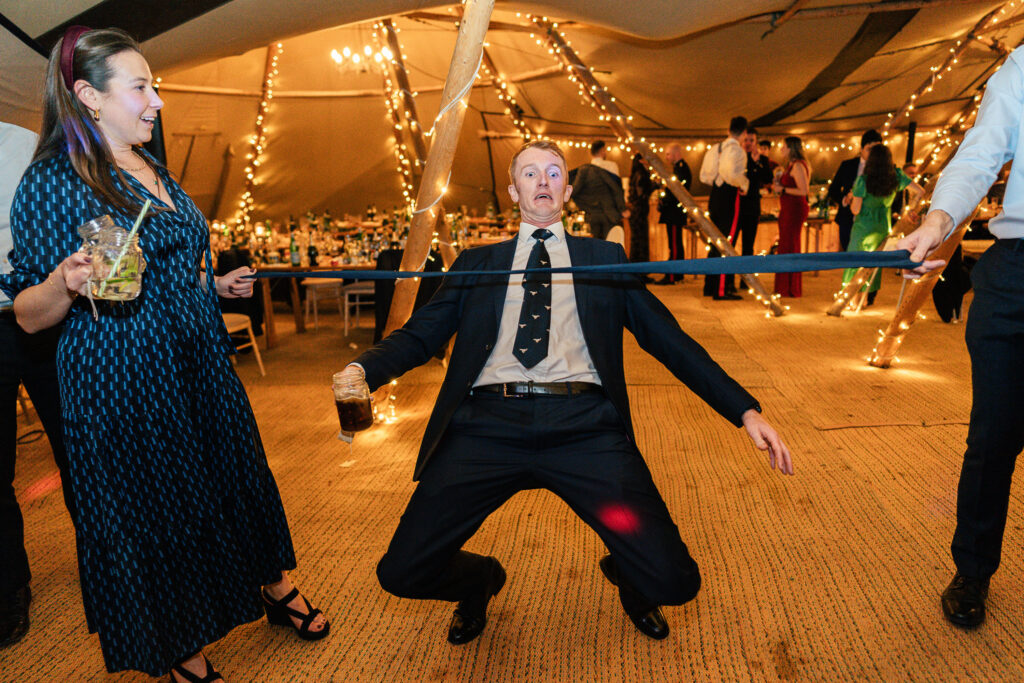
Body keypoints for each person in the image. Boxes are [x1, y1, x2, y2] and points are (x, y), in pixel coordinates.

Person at [337, 140, 793, 647]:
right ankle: (480, 581)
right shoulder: (477, 263)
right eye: (530, 174)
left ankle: (631, 576)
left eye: (553, 173)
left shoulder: (604, 260)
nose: (542, 182)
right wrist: (362, 367)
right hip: (487, 425)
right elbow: (420, 335)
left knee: (674, 582)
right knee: (401, 572)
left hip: (584, 427)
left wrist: (744, 409)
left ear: (567, 190)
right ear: (514, 191)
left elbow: (670, 342)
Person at [2, 27, 328, 680]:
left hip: (199, 364)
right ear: (90, 96)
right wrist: (65, 282)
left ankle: (271, 582)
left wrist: (214, 285)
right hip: (123, 378)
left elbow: (165, 270)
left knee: (234, 477)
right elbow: (27, 313)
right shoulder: (53, 180)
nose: (157, 101)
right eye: (142, 86)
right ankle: (181, 647)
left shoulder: (151, 165)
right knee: (159, 510)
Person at [899, 45, 1024, 630]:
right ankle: (972, 569)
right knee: (993, 436)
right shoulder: (1023, 63)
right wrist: (937, 220)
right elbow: (980, 152)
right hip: (1016, 269)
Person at [0, 121, 77, 650]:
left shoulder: (24, 142)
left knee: (79, 449)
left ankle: (108, 562)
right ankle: (9, 588)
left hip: (47, 314)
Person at [842, 145, 923, 309]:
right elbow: (920, 191)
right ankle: (864, 300)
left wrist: (852, 198)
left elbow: (855, 209)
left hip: (863, 227)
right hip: (882, 227)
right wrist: (912, 209)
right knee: (873, 264)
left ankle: (852, 301)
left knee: (854, 262)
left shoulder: (863, 181)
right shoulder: (897, 177)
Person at [700, 116, 749, 300]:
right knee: (726, 242)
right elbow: (732, 175)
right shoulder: (738, 151)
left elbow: (704, 176)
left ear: (728, 130)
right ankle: (721, 289)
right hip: (730, 196)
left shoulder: (715, 149)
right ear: (744, 133)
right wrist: (744, 184)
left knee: (715, 241)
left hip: (715, 195)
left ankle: (709, 285)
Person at [829, 130, 882, 251]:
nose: (872, 153)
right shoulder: (847, 165)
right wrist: (844, 199)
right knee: (849, 255)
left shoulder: (883, 169)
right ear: (862, 148)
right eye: (869, 149)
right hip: (848, 219)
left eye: (876, 150)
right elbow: (833, 189)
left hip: (872, 221)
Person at [771, 136, 811, 298]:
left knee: (790, 245)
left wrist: (783, 189)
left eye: (783, 146)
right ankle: (785, 286)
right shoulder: (791, 165)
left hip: (794, 209)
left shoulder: (798, 166)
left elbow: (804, 191)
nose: (781, 149)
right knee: (786, 245)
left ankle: (790, 288)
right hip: (788, 207)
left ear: (790, 148)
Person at [568, 140, 628, 240]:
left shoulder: (584, 170)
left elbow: (575, 190)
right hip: (609, 214)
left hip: (592, 215)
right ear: (602, 151)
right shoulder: (612, 166)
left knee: (595, 246)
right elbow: (616, 189)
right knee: (610, 245)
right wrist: (623, 208)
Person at [655, 143, 692, 284]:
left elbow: (676, 191)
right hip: (673, 211)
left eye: (668, 154)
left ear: (676, 153)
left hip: (674, 212)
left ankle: (672, 276)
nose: (666, 157)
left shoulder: (682, 169)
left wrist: (663, 200)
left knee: (675, 245)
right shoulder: (678, 169)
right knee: (675, 243)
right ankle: (677, 274)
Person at [737, 127, 773, 256]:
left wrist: (757, 162)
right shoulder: (736, 158)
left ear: (756, 142)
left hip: (752, 206)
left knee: (748, 245)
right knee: (730, 243)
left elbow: (768, 178)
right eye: (746, 140)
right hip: (736, 205)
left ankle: (746, 276)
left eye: (751, 140)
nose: (748, 143)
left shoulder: (761, 159)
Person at [627, 153, 655, 272]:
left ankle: (636, 270)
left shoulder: (635, 174)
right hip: (640, 211)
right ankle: (641, 272)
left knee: (636, 241)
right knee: (641, 241)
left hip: (635, 211)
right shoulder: (642, 175)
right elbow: (641, 193)